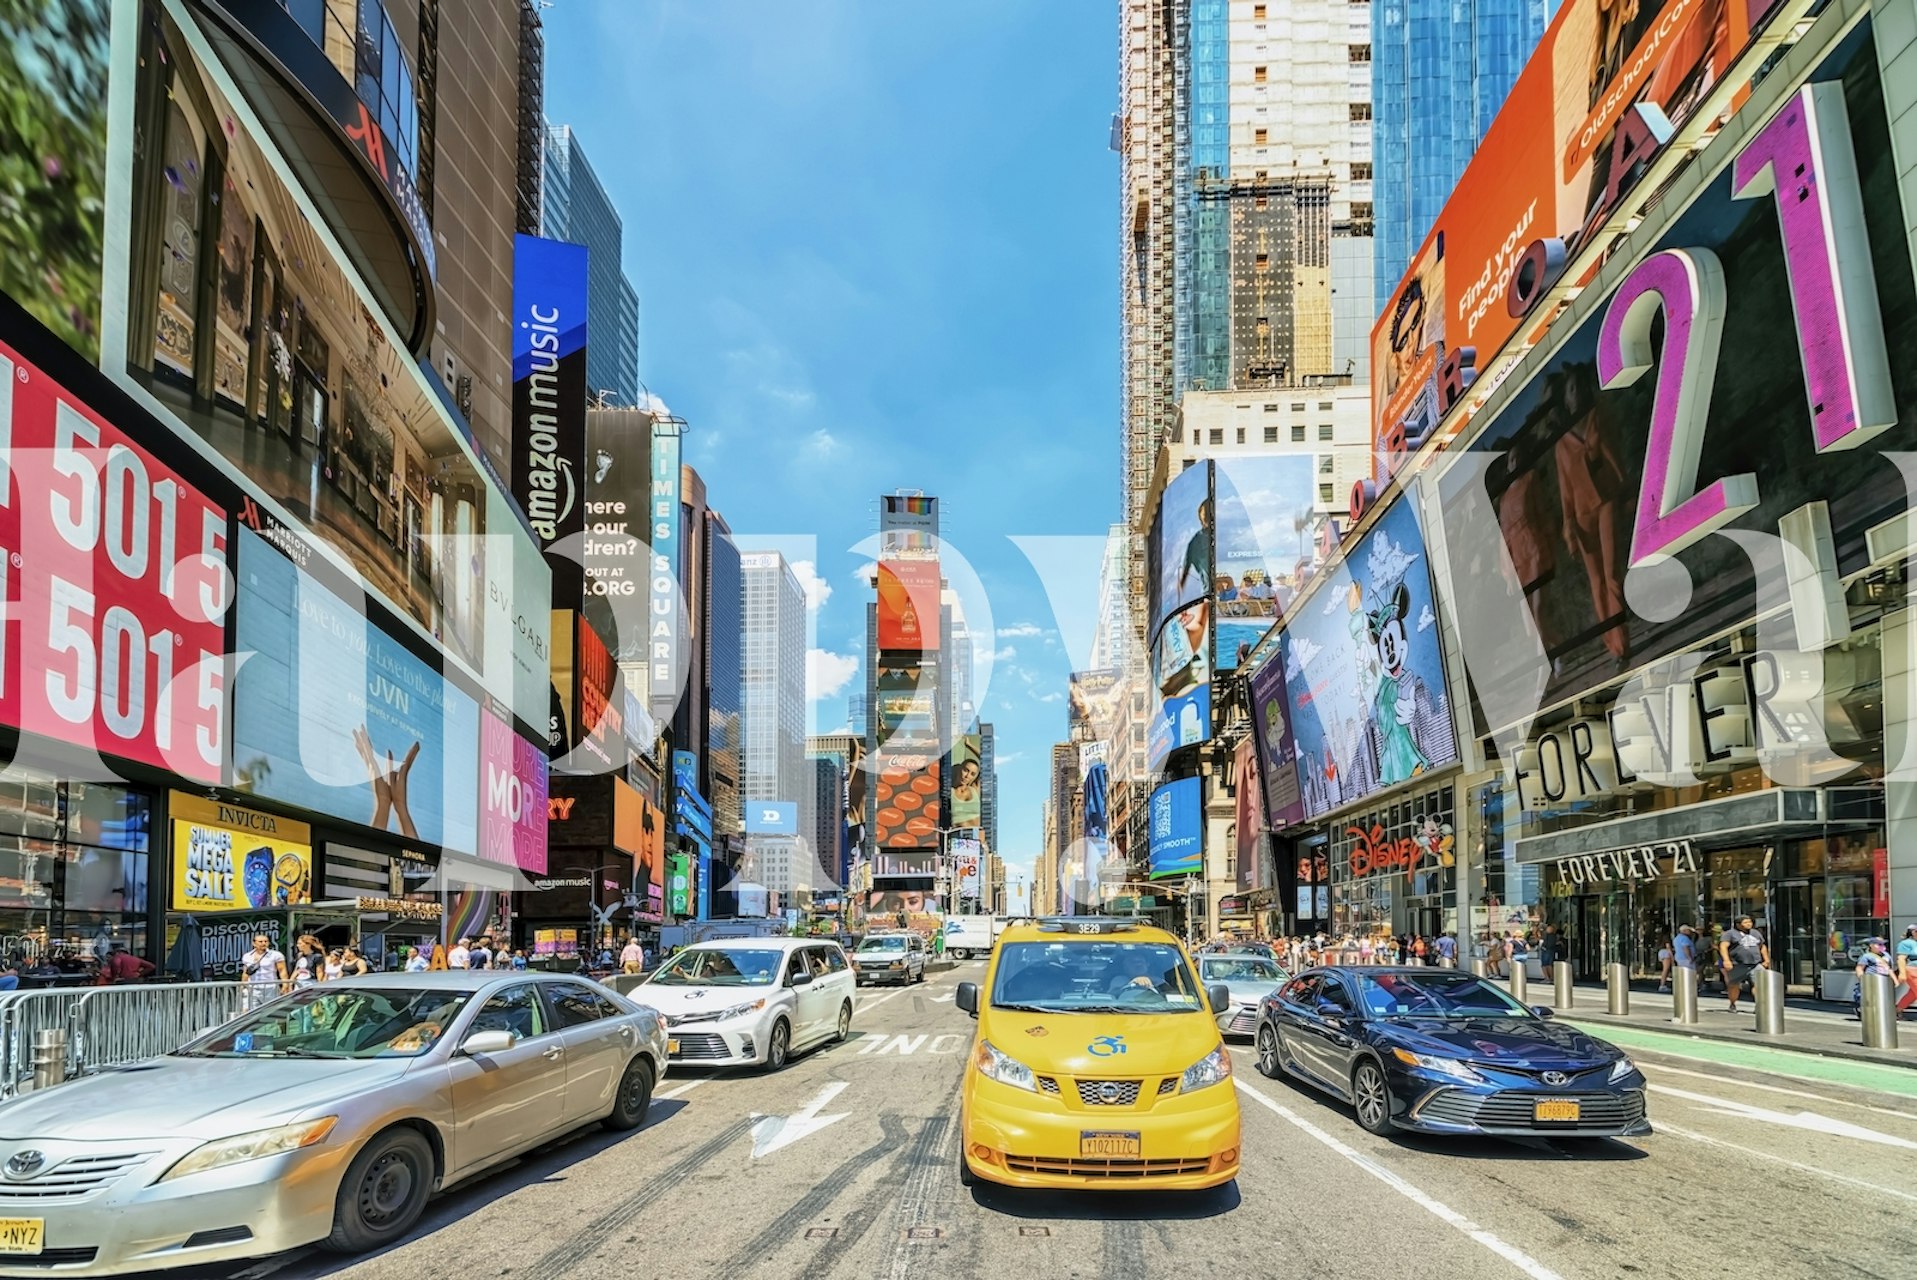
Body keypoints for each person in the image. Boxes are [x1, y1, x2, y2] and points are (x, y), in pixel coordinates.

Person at [1719, 915, 1769, 1014]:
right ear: (1738, 924)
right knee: (1734, 985)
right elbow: (1723, 946)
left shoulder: (1755, 933)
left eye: (1750, 922)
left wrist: (1766, 959)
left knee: (1759, 984)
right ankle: (1732, 1004)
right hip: (1738, 964)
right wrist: (1726, 960)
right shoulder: (1730, 934)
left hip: (1755, 964)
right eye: (1745, 922)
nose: (1749, 924)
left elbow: (1762, 946)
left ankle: (1759, 1005)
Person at [239, 934, 288, 1010]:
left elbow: (282, 970)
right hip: (253, 988)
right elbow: (246, 972)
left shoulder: (276, 955)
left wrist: (285, 984)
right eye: (260, 941)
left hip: (270, 988)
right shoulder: (247, 956)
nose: (263, 943)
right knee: (249, 1011)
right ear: (254, 943)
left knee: (274, 1011)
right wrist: (242, 985)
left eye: (266, 941)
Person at [1855, 937, 1896, 1018]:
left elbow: (1890, 968)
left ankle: (1881, 1014)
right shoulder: (1866, 956)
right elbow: (1859, 968)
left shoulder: (1887, 955)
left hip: (1884, 980)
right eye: (1879, 944)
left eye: (1883, 944)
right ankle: (1863, 1012)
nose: (1882, 946)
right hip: (1871, 979)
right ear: (1871, 945)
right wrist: (1862, 979)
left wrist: (1894, 980)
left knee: (1883, 998)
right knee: (1870, 998)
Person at [1896, 925, 1917, 1017]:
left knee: (1913, 993)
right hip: (1912, 970)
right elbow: (1901, 959)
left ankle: (1897, 1010)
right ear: (1913, 932)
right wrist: (1902, 973)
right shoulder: (1906, 943)